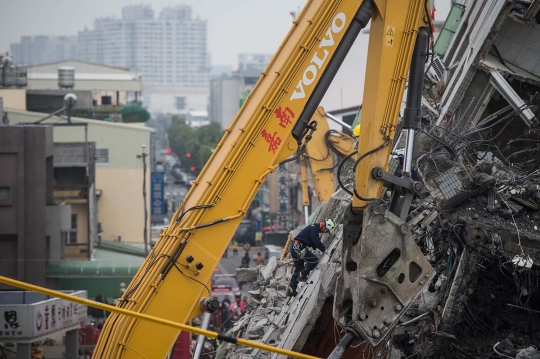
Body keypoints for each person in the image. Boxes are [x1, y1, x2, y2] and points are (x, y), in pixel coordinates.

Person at [287, 219, 336, 297]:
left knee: (298, 268)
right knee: (314, 260)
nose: (324, 232)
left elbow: (311, 241)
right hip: (299, 247)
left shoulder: (313, 227)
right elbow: (316, 241)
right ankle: (302, 275)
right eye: (326, 230)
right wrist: (324, 249)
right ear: (324, 226)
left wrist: (314, 246)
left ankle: (291, 289)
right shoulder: (314, 228)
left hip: (295, 247)